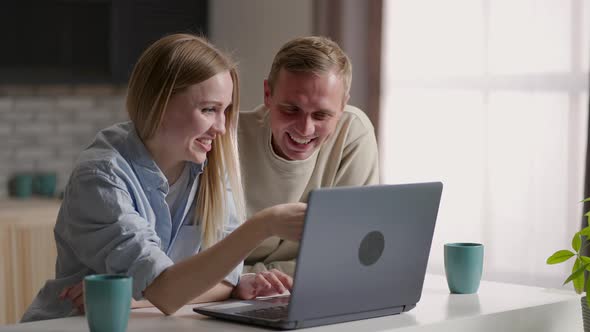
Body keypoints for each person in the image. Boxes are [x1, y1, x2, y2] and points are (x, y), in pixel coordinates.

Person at [21, 33, 306, 322]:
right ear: (160, 102)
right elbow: (170, 292)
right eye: (209, 109)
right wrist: (263, 226)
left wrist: (136, 299)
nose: (221, 127)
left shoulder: (210, 168)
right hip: (72, 324)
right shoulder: (100, 177)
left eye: (226, 110)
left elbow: (225, 282)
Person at [238, 36, 380, 277]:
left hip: (308, 288)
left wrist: (257, 275)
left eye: (322, 115)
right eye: (291, 109)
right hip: (224, 294)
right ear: (267, 94)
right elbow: (199, 256)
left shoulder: (352, 132)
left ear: (343, 105)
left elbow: (346, 253)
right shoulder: (226, 137)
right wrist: (243, 280)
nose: (305, 129)